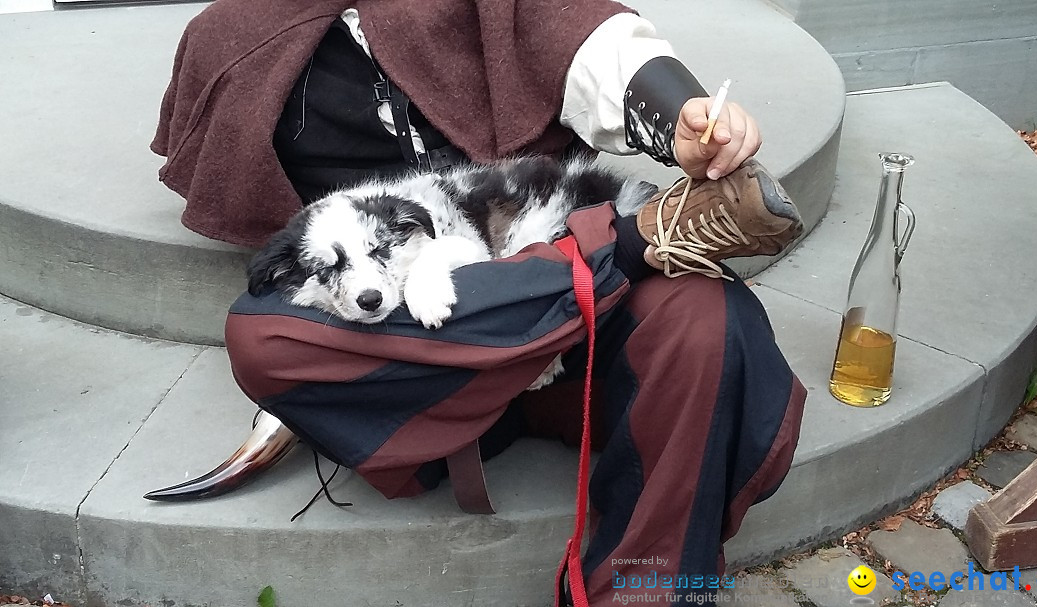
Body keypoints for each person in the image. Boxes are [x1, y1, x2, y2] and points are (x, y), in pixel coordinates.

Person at [151, 0, 807, 605]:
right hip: (422, 361)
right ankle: (631, 242)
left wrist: (686, 115)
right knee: (259, 336)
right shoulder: (232, 33)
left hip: (569, 321)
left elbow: (593, 41)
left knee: (711, 320)